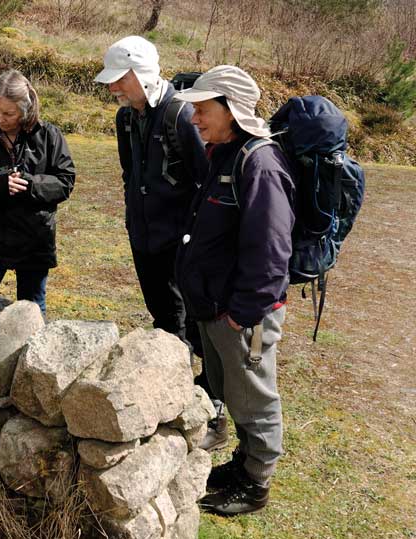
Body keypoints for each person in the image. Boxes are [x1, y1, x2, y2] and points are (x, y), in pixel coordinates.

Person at [173, 65, 295, 515]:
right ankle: (243, 464)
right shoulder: (224, 152)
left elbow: (271, 251)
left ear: (232, 109)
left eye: (203, 108)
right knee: (234, 389)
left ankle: (256, 483)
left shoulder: (259, 164)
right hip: (217, 305)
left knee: (255, 397)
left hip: (243, 313)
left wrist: (243, 314)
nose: (195, 118)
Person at [94, 36, 225, 450]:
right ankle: (174, 404)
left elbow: (206, 183)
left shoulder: (182, 116)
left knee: (198, 326)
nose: (113, 89)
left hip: (182, 243)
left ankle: (213, 412)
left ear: (141, 74)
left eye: (119, 80)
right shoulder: (126, 120)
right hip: (144, 237)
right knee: (165, 319)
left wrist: (197, 241)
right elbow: (130, 175)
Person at [0, 70, 75, 314]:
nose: (0, 118)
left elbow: (65, 182)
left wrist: (31, 185)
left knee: (31, 311)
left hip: (35, 238)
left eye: (9, 113)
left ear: (26, 108)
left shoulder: (49, 135)